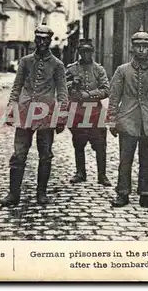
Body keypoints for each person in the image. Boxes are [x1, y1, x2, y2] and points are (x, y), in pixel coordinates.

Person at [0, 24, 68, 207]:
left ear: (50, 40)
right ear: (35, 40)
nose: (42, 42)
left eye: (45, 39)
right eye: (39, 38)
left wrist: (61, 117)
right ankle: (13, 194)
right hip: (25, 113)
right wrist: (11, 109)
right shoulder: (25, 61)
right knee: (18, 154)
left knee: (45, 154)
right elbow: (16, 87)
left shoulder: (57, 65)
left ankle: (41, 193)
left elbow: (62, 93)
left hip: (46, 115)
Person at [107, 27, 148, 211]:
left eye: (145, 46)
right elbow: (114, 98)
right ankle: (122, 192)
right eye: (138, 46)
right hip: (127, 121)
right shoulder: (122, 71)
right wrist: (111, 120)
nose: (142, 50)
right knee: (125, 159)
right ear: (132, 48)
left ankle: (146, 194)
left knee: (147, 160)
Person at [65, 38, 111, 186]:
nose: (86, 54)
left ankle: (102, 175)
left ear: (92, 52)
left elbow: (106, 90)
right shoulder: (71, 69)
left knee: (100, 144)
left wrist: (89, 95)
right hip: (77, 112)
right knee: (78, 142)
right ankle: (80, 172)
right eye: (83, 51)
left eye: (89, 51)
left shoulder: (99, 69)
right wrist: (72, 84)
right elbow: (62, 87)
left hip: (95, 113)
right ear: (79, 52)